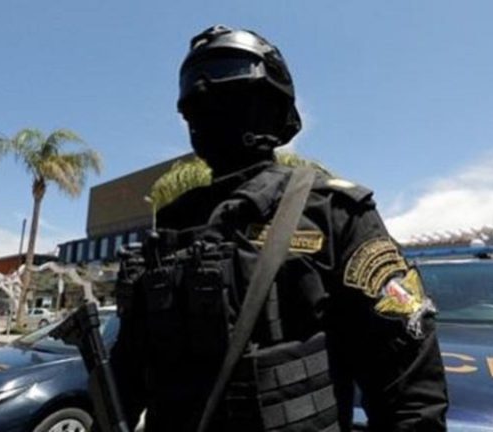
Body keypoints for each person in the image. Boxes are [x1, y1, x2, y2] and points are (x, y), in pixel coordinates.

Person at [111, 25, 448, 431]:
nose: (206, 100)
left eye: (226, 90)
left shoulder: (332, 210)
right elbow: (130, 370)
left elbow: (409, 387)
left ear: (269, 103)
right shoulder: (174, 223)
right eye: (197, 99)